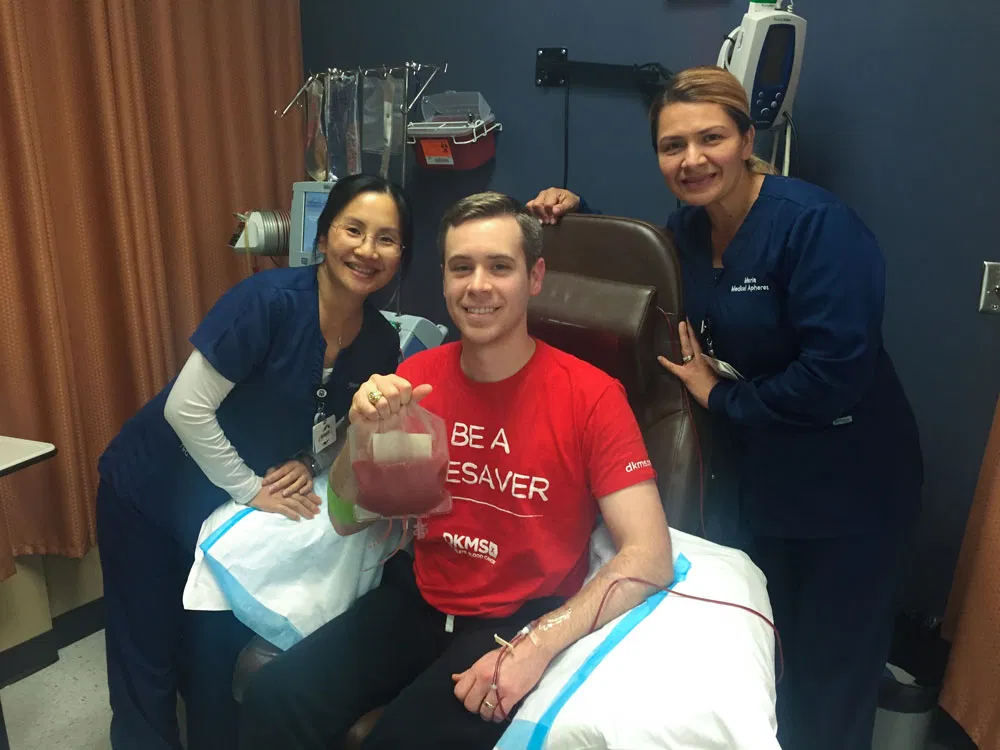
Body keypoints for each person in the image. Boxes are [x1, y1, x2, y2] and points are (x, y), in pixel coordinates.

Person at [527, 66, 924, 750]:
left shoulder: (815, 227)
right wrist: (574, 214)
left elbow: (836, 375)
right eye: (672, 145)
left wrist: (721, 394)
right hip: (762, 476)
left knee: (831, 675)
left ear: (746, 138)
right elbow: (640, 272)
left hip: (849, 484)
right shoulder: (687, 230)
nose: (692, 159)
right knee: (763, 655)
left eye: (710, 138)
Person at [237, 192, 674, 749]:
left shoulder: (590, 396)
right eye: (461, 267)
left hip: (516, 617)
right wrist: (360, 436)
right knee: (274, 699)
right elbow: (348, 516)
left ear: (535, 277)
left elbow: (650, 555)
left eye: (500, 267)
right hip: (417, 600)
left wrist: (537, 645)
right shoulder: (417, 376)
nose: (478, 286)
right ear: (443, 280)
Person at [96, 174, 413, 750]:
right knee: (149, 653)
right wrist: (247, 488)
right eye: (354, 230)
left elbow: (339, 422)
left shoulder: (378, 343)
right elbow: (186, 410)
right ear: (323, 237)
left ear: (401, 256)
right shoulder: (266, 303)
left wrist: (306, 458)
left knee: (209, 660)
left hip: (213, 509)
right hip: (150, 490)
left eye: (387, 239)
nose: (367, 250)